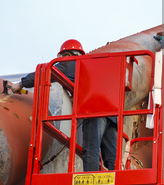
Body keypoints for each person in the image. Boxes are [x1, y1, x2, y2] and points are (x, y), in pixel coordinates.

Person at [11, 39, 117, 172]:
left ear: (66, 54)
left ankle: (91, 182)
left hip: (94, 110)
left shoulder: (70, 64)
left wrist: (21, 83)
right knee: (112, 157)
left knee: (91, 148)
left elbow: (45, 73)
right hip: (113, 113)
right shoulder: (90, 65)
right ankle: (119, 181)